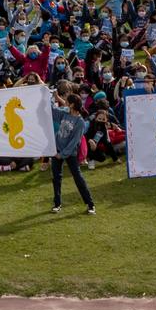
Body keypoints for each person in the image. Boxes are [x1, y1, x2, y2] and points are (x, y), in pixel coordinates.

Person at [49, 86, 94, 214]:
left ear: (72, 104)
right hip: (57, 150)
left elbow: (74, 142)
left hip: (69, 153)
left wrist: (62, 154)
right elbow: (52, 111)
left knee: (78, 178)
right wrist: (52, 97)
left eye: (67, 101)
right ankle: (57, 204)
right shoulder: (64, 113)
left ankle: (90, 204)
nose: (65, 103)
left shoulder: (80, 122)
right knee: (56, 178)